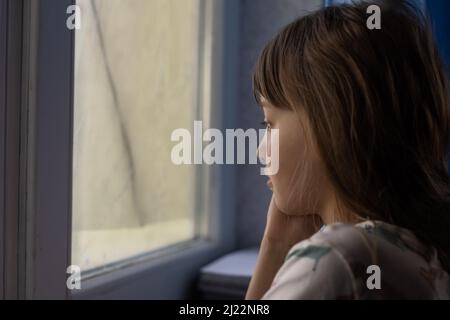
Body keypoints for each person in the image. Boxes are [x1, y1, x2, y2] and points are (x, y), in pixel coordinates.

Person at [245, 0, 450, 300]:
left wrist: (273, 248)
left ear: (327, 123)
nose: (261, 152)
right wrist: (277, 242)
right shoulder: (419, 252)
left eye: (269, 123)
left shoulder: (338, 260)